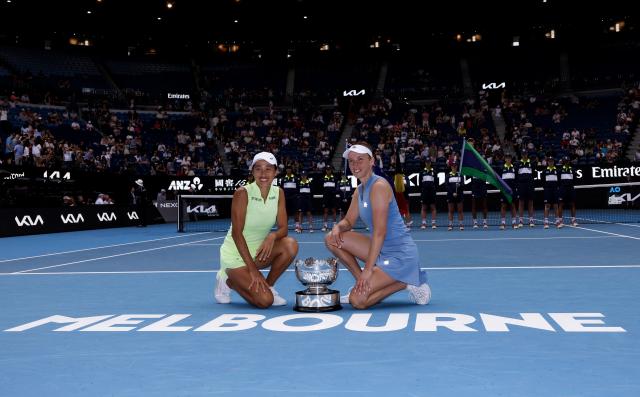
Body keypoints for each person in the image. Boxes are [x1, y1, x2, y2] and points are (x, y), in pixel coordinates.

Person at [324, 142, 431, 309]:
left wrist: (368, 270)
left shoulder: (379, 187)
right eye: (351, 161)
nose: (355, 165)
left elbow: (380, 233)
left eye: (360, 159)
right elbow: (349, 221)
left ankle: (406, 283)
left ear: (371, 161)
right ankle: (362, 284)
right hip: (381, 252)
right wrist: (338, 227)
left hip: (399, 256)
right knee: (331, 238)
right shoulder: (359, 190)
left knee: (358, 301)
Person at [215, 152, 299, 308]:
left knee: (290, 244)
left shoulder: (278, 193)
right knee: (265, 301)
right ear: (252, 171)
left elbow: (284, 228)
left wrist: (272, 236)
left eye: (268, 169)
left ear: (275, 172)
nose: (263, 173)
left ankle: (269, 286)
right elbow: (236, 233)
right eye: (258, 169)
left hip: (259, 251)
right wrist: (253, 271)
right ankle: (226, 280)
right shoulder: (242, 193)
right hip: (235, 256)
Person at [516, 150, 536, 228]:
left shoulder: (532, 163)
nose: (524, 155)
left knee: (530, 202)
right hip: (521, 185)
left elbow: (533, 174)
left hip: (530, 185)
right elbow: (517, 176)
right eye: (523, 154)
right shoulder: (517, 164)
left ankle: (531, 220)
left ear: (527, 154)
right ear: (521, 154)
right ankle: (520, 220)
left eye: (525, 154)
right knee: (521, 202)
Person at [499, 153, 519, 230]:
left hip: (512, 190)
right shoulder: (501, 168)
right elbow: (499, 179)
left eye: (509, 158)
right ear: (505, 159)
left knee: (512, 205)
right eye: (507, 158)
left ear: (511, 159)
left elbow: (516, 179)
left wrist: (516, 189)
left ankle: (514, 223)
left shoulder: (514, 168)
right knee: (503, 206)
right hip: (504, 190)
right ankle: (503, 223)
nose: (508, 159)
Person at [558, 156, 578, 227]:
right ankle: (560, 221)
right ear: (563, 162)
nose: (566, 162)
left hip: (570, 189)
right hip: (562, 189)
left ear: (569, 162)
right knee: (561, 204)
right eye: (565, 161)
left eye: (567, 161)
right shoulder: (560, 170)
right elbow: (558, 180)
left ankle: (573, 220)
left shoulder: (572, 170)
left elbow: (575, 180)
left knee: (572, 204)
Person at [542, 156, 560, 229]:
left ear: (553, 162)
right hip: (547, 190)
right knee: (547, 206)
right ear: (547, 162)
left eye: (552, 161)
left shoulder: (557, 171)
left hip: (555, 190)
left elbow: (559, 181)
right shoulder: (544, 171)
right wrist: (546, 188)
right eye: (549, 161)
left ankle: (557, 221)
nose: (551, 162)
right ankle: (546, 222)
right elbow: (542, 182)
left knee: (556, 206)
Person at [419, 159, 438, 229]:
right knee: (424, 208)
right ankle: (424, 223)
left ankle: (433, 223)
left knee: (433, 207)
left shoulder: (434, 172)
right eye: (426, 162)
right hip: (424, 192)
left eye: (429, 162)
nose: (427, 163)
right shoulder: (421, 172)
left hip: (432, 192)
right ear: (425, 163)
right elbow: (420, 183)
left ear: (430, 163)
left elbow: (436, 183)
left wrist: (433, 189)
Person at [446, 162, 464, 231]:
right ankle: (450, 224)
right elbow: (447, 186)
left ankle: (461, 224)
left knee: (460, 210)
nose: (454, 167)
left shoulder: (460, 175)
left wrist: (459, 186)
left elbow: (463, 184)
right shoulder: (448, 175)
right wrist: (453, 193)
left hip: (459, 195)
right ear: (451, 167)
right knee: (451, 211)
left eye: (455, 166)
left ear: (457, 167)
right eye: (453, 166)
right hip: (451, 195)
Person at [281, 165, 299, 232]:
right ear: (286, 170)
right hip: (286, 198)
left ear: (291, 170)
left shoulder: (295, 178)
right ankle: (285, 227)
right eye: (287, 169)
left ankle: (297, 226)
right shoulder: (283, 179)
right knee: (286, 213)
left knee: (296, 212)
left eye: (289, 169)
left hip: (294, 198)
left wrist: (296, 196)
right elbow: (281, 189)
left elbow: (298, 188)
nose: (288, 170)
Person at [321, 165, 338, 231]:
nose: (328, 171)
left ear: (331, 170)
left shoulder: (335, 178)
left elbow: (337, 187)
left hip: (333, 197)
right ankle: (325, 226)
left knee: (334, 210)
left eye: (329, 169)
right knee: (326, 211)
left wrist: (334, 192)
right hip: (326, 197)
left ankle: (334, 225)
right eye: (327, 170)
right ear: (326, 170)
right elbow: (322, 188)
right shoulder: (322, 179)